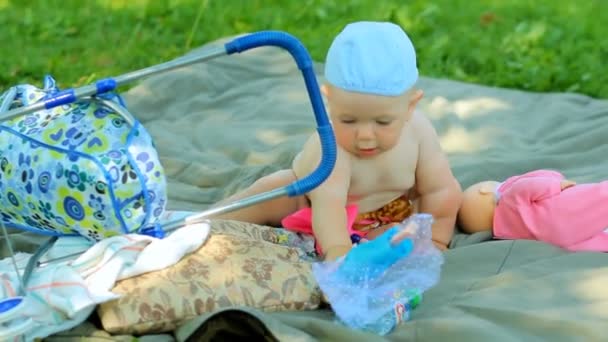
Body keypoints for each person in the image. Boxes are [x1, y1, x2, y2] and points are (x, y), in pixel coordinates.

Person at [215, 21, 462, 260]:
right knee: (271, 191)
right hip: (313, 206)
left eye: (383, 122)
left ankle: (372, 245)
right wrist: (338, 255)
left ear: (410, 106)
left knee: (399, 238)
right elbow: (329, 207)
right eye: (348, 120)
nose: (365, 135)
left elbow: (439, 190)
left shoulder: (420, 133)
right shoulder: (331, 149)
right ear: (328, 101)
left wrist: (437, 239)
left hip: (386, 214)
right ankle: (205, 223)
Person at [457, 169, 608, 252]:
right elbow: (529, 185)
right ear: (484, 190)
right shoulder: (507, 197)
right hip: (559, 210)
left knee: (593, 240)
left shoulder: (508, 234)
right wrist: (557, 185)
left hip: (560, 238)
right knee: (598, 196)